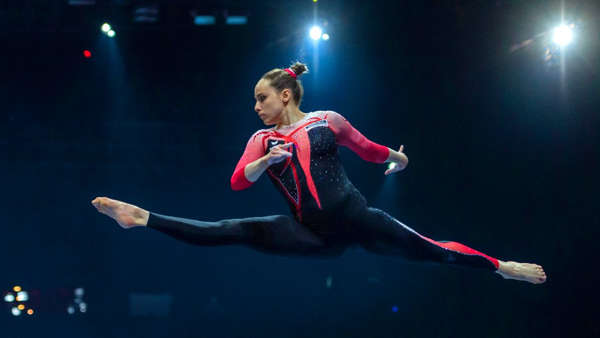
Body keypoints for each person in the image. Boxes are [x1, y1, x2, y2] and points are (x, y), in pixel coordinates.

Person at [92, 62, 546, 284]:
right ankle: (140, 217)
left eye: (262, 98)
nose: (256, 107)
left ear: (286, 95)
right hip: (311, 235)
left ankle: (501, 267)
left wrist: (398, 159)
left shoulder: (327, 120)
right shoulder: (260, 140)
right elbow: (237, 182)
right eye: (255, 101)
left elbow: (368, 150)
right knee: (229, 229)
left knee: (430, 249)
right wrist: (264, 162)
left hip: (357, 219)